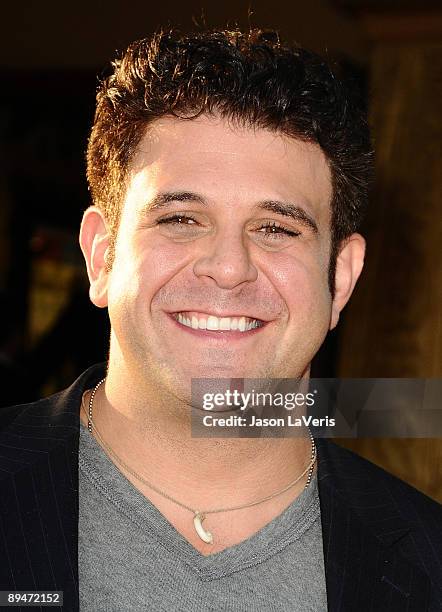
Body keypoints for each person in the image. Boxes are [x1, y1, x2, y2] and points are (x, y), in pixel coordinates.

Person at [0, 28, 440, 612]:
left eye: (277, 229)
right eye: (181, 218)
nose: (230, 269)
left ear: (341, 279)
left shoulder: (429, 561)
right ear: (102, 256)